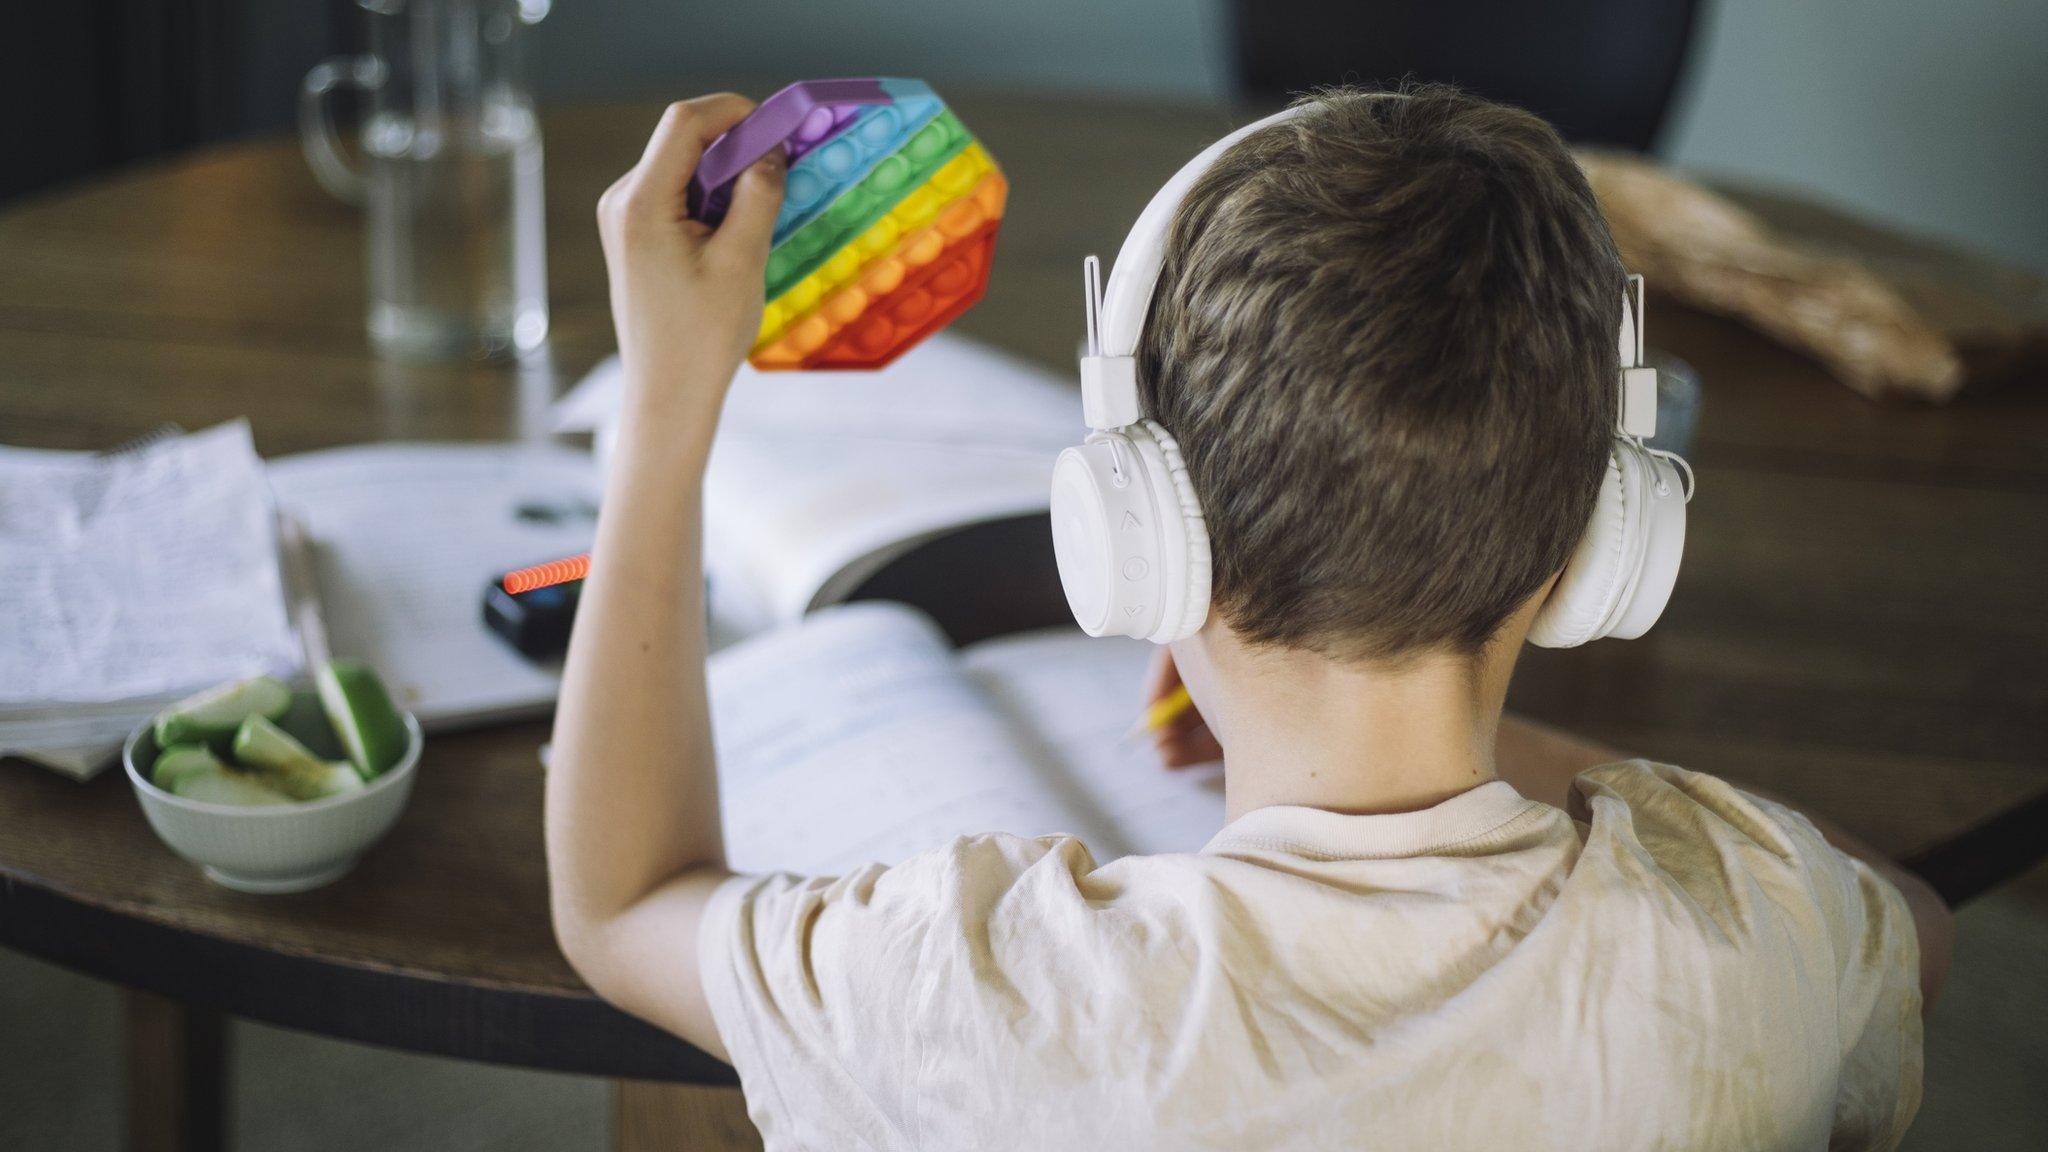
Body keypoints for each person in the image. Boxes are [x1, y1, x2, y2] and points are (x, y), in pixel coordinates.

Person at [545, 85, 1951, 1151]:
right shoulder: (1760, 936)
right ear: (1604, 546)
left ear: (1137, 538)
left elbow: (623, 904)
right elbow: (1917, 925)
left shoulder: (974, 997)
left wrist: (670, 405)